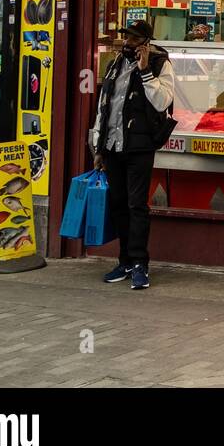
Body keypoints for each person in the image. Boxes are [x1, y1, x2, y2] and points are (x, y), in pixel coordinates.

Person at [89, 19, 175, 290]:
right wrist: (98, 146)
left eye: (134, 40)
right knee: (118, 204)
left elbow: (163, 101)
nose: (128, 43)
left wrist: (146, 70)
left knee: (136, 206)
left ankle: (140, 264)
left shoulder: (161, 64)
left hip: (139, 146)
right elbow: (105, 106)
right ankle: (124, 260)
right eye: (127, 38)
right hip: (113, 146)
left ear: (146, 43)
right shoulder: (115, 63)